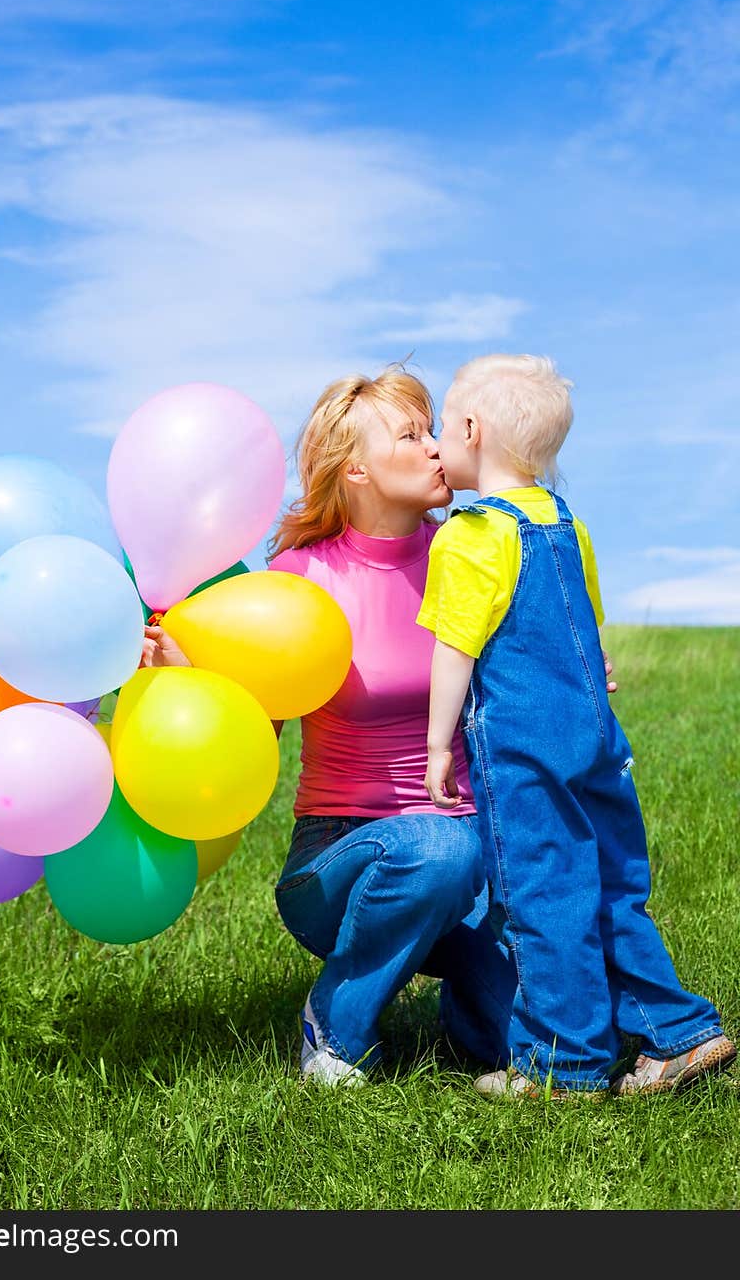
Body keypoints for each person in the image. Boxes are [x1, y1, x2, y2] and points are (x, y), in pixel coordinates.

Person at [144, 364, 523, 1084]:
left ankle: (461, 1003)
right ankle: (335, 1024)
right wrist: (185, 674)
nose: (437, 446)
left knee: (545, 1036)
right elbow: (254, 729)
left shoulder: (468, 553)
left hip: (477, 849)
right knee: (436, 852)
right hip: (340, 857)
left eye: (432, 427)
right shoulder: (301, 574)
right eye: (411, 434)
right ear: (355, 469)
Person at [419, 352, 736, 1098]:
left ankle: (563, 1064)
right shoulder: (570, 527)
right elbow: (587, 635)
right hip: (596, 741)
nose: (437, 442)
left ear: (471, 429)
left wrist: (438, 744)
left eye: (442, 426)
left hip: (527, 752)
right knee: (612, 885)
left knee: (545, 892)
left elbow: (455, 651)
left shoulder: (468, 537)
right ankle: (679, 1031)